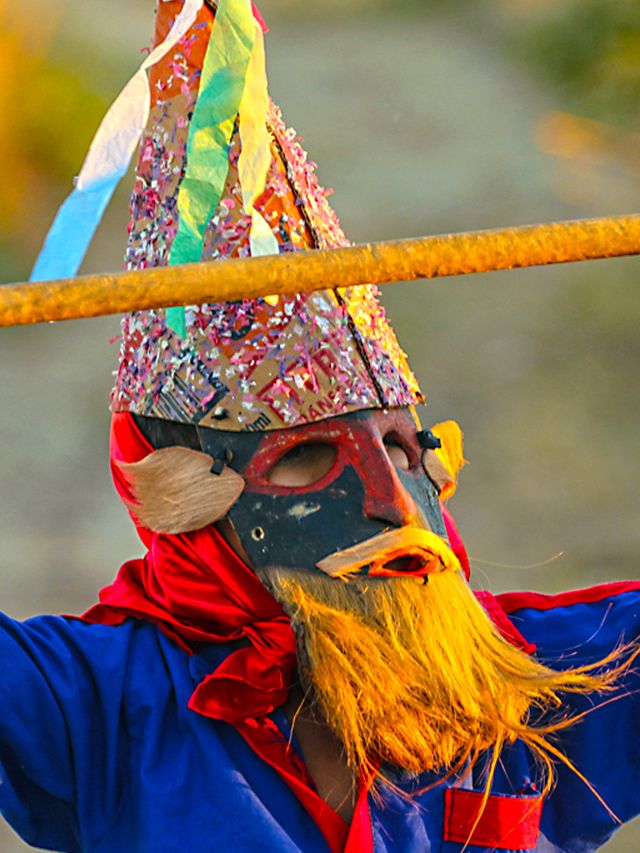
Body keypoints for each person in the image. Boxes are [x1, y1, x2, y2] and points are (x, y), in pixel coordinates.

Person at [2, 2, 640, 852]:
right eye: (305, 458)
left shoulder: (527, 681)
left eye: (407, 452)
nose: (395, 505)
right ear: (196, 505)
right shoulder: (100, 705)